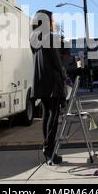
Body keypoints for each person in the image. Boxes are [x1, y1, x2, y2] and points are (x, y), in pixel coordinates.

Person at [30, 10, 66, 164]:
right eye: (51, 20)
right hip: (52, 82)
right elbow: (56, 61)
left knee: (46, 115)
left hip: (40, 80)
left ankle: (48, 149)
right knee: (54, 115)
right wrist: (63, 73)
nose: (53, 22)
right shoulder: (49, 37)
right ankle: (48, 147)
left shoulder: (33, 39)